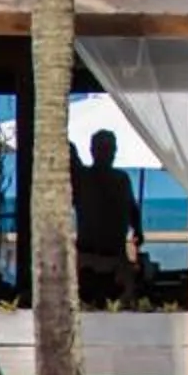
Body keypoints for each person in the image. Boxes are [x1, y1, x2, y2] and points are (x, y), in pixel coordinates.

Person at [73, 129, 143, 301]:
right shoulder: (83, 178)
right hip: (87, 257)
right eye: (103, 148)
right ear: (92, 151)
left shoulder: (121, 179)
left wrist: (138, 230)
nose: (108, 153)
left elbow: (132, 209)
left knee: (122, 306)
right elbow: (68, 151)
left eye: (110, 149)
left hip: (116, 256)